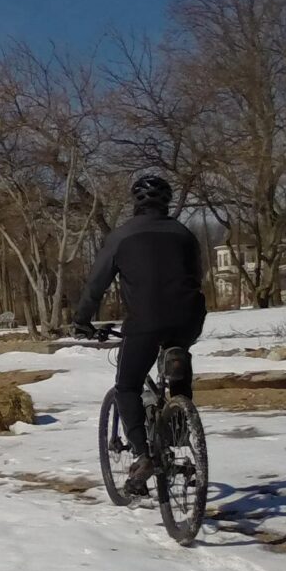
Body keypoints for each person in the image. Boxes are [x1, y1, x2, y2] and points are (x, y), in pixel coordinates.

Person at [69, 172, 208, 493]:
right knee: (178, 365)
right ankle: (178, 419)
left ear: (135, 203)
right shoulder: (185, 234)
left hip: (144, 322)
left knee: (127, 386)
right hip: (187, 317)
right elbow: (196, 276)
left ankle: (144, 456)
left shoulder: (120, 236)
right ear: (167, 202)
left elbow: (95, 285)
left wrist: (82, 320)